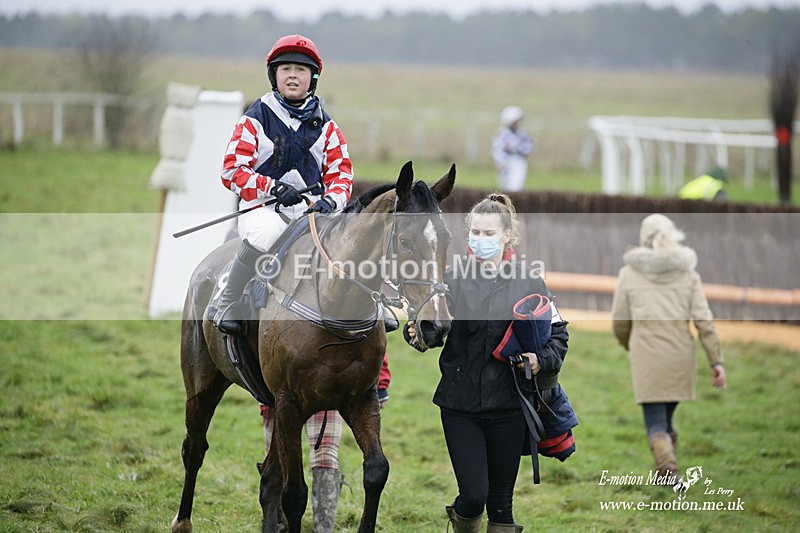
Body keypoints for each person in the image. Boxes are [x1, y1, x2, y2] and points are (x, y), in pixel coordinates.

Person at [405, 193, 571, 533]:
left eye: (488, 233)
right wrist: (420, 334)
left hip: (511, 406)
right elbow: (428, 331)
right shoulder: (451, 278)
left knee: (501, 507)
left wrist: (540, 360)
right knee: (473, 495)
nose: (479, 240)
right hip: (459, 405)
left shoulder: (529, 280)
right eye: (474, 233)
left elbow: (559, 337)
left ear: (507, 235)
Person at [210, 34, 353, 335]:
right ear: (274, 75)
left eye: (300, 70)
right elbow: (232, 170)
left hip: (312, 211)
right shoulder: (254, 119)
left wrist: (331, 200)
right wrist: (271, 187)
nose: (292, 75)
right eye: (285, 68)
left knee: (351, 243)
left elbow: (342, 174)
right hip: (263, 207)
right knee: (266, 234)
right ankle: (229, 299)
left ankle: (373, 308)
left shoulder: (328, 127)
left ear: (312, 78)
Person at [610, 214, 727, 483]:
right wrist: (716, 361)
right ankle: (665, 474)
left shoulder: (629, 274)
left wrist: (630, 344)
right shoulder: (689, 274)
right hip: (680, 355)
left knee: (655, 421)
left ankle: (669, 473)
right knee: (666, 417)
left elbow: (619, 321)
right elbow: (704, 320)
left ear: (643, 239)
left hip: (647, 355)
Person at [259, 352, 391, 532]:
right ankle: (279, 525)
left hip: (327, 388)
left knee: (326, 457)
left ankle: (323, 528)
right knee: (276, 461)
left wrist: (381, 382)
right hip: (281, 391)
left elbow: (371, 333)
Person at [492, 106, 534, 193]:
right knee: (504, 187)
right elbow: (497, 149)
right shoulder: (502, 134)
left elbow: (529, 146)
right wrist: (500, 162)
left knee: (516, 187)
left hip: (518, 161)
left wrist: (520, 149)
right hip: (505, 162)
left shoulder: (522, 133)